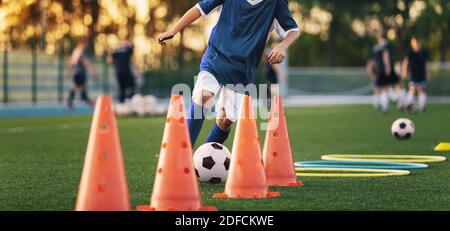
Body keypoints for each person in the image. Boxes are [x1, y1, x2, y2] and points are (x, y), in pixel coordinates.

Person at [157, 0, 300, 146]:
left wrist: (282, 46)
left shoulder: (276, 3)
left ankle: (204, 159)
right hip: (216, 57)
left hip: (242, 69)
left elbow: (293, 31)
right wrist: (172, 31)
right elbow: (199, 9)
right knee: (203, 97)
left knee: (225, 120)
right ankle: (183, 158)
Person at [366, 32, 397, 113]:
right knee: (385, 88)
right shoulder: (385, 47)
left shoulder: (375, 47)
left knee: (378, 88)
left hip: (377, 71)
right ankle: (385, 106)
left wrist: (369, 70)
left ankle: (377, 104)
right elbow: (385, 58)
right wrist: (388, 67)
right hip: (382, 70)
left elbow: (372, 61)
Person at [401, 36, 430, 112]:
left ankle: (421, 107)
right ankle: (407, 105)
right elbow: (405, 62)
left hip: (422, 74)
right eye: (413, 42)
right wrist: (404, 71)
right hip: (413, 74)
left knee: (422, 90)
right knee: (412, 89)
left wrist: (428, 73)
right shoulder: (410, 52)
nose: (415, 44)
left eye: (416, 42)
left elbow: (427, 64)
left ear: (419, 42)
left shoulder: (423, 52)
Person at [66, 40, 94, 109]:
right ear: (82, 44)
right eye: (85, 44)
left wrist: (69, 70)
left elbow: (71, 62)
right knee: (76, 86)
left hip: (77, 72)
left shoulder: (76, 51)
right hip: (79, 72)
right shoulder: (80, 51)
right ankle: (71, 101)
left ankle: (87, 100)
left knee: (81, 87)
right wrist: (92, 70)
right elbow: (84, 62)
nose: (86, 46)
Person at [110, 38, 138, 103]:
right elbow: (132, 60)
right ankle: (131, 101)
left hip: (118, 72)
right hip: (126, 71)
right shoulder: (128, 49)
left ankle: (122, 103)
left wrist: (117, 63)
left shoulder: (116, 50)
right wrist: (137, 69)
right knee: (133, 87)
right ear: (127, 42)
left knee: (122, 88)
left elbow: (110, 60)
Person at [265, 41, 287, 109]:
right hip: (271, 78)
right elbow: (275, 66)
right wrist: (281, 74)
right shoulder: (272, 55)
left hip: (269, 77)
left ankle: (271, 109)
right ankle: (273, 110)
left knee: (271, 95)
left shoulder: (270, 54)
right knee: (273, 95)